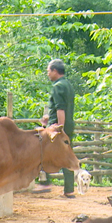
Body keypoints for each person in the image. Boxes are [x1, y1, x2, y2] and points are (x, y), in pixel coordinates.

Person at [36, 59, 76, 198]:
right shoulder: (68, 85)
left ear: (54, 71)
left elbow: (60, 108)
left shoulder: (58, 86)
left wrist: (59, 128)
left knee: (42, 151)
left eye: (48, 71)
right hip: (69, 124)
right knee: (66, 154)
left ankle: (45, 182)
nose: (47, 74)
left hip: (58, 127)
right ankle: (69, 189)